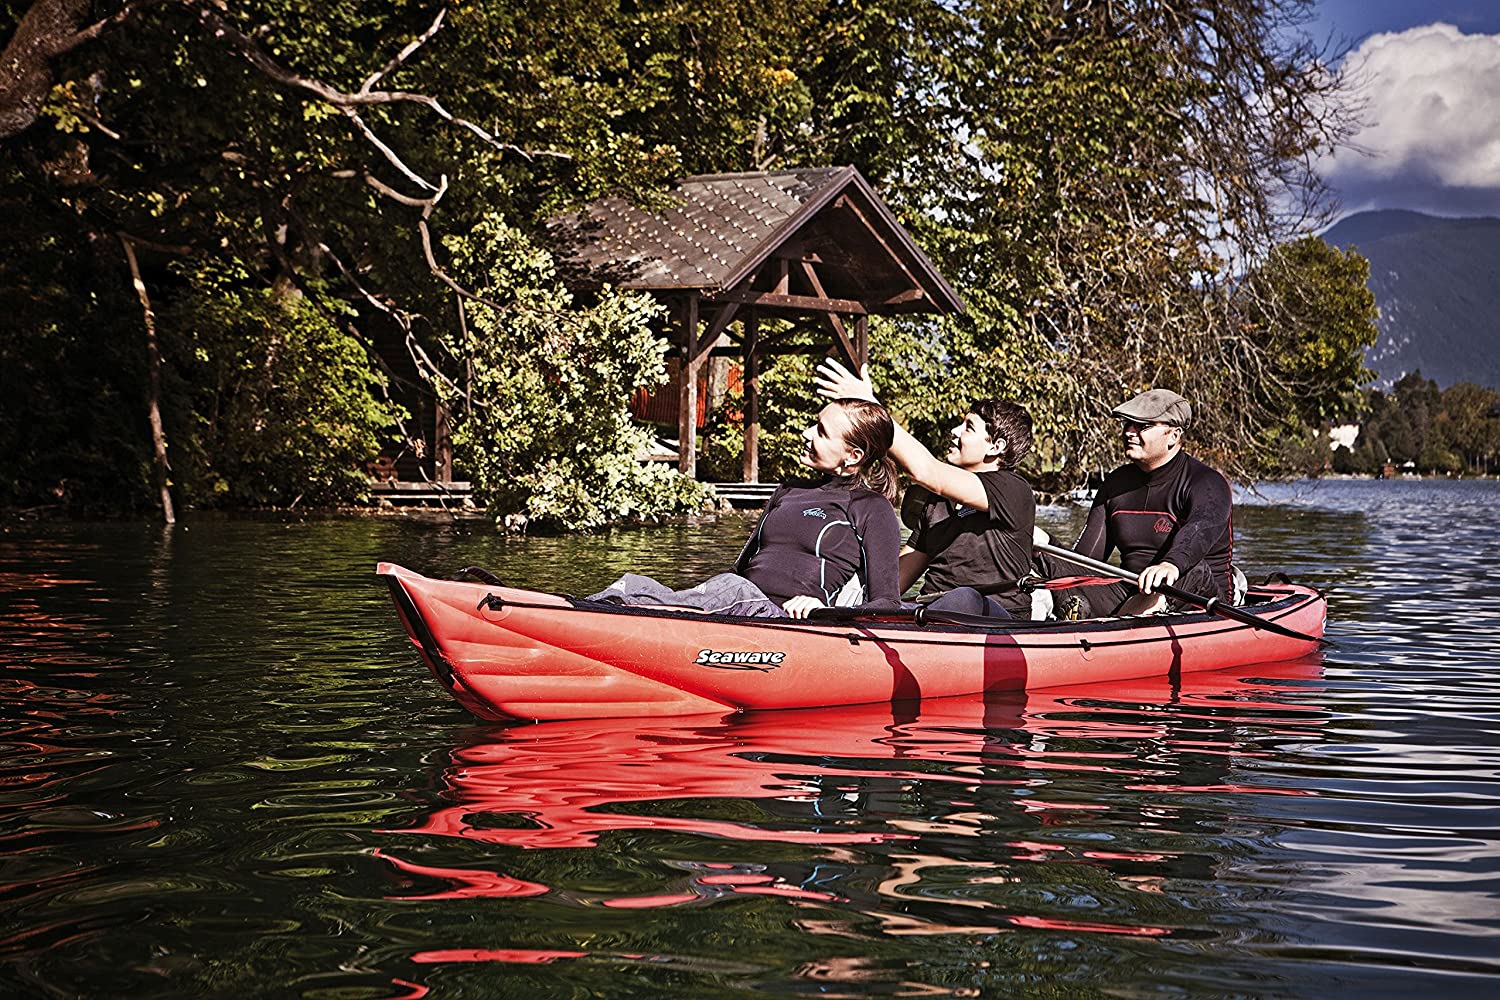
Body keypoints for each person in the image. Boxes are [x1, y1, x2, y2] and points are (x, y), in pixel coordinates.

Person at [588, 398, 902, 619]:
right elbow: (738, 570)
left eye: (820, 431)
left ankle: (603, 618)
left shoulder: (871, 508)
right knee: (634, 584)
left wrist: (825, 610)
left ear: (853, 455)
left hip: (787, 621)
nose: (807, 433)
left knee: (736, 589)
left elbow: (886, 603)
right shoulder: (788, 490)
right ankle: (576, 615)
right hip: (738, 605)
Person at [814, 359, 1037, 619]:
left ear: (996, 447)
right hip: (931, 616)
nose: (954, 432)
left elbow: (926, 471)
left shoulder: (1013, 490)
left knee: (964, 598)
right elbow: (903, 570)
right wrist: (856, 604)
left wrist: (872, 408)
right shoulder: (938, 500)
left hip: (996, 620)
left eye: (969, 427)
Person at [1045, 388, 1233, 617]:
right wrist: (1042, 545)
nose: (1129, 432)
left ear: (1174, 435)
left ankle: (1113, 627)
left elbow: (1198, 531)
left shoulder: (1207, 482)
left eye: (1142, 426)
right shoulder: (1115, 484)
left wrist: (1169, 565)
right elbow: (1085, 561)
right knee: (1046, 553)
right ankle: (1076, 614)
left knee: (1191, 570)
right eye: (1127, 424)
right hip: (1129, 591)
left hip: (1198, 596)